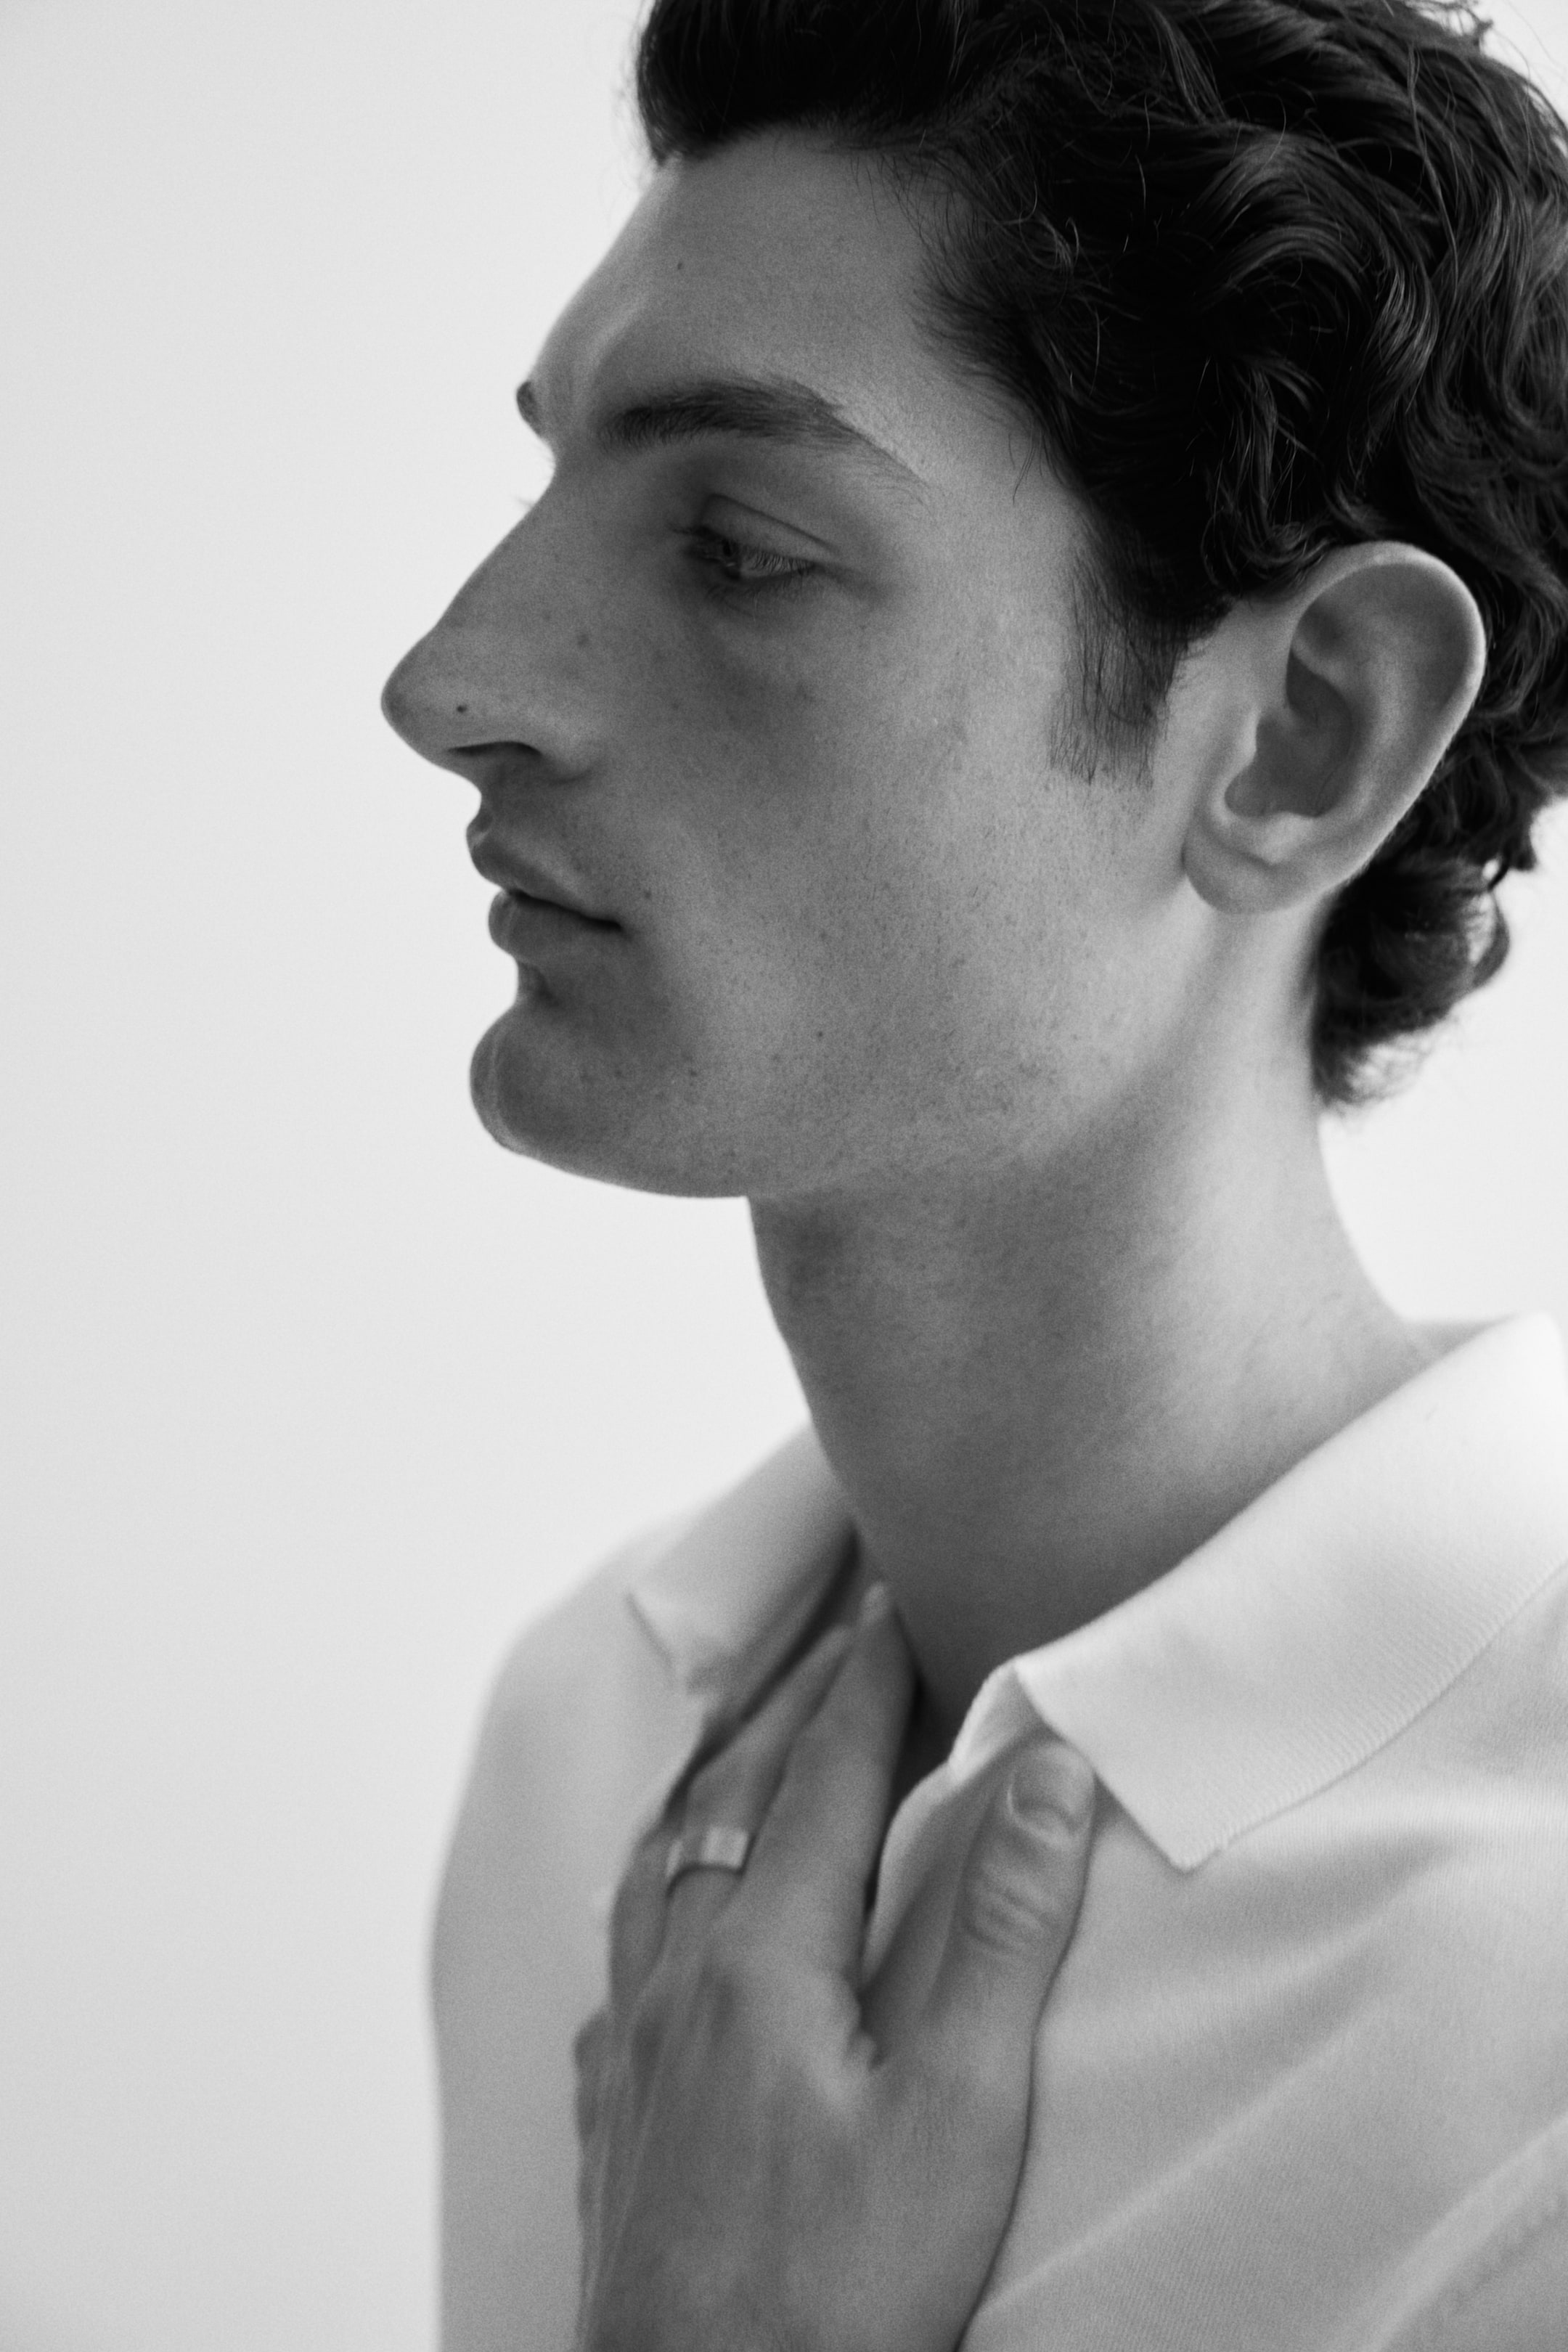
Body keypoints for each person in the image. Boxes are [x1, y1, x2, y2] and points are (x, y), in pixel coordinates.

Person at [378, 0, 1568, 2344]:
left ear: (1303, 732)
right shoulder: (584, 1745)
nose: (454, 678)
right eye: (548, 484)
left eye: (739, 550)